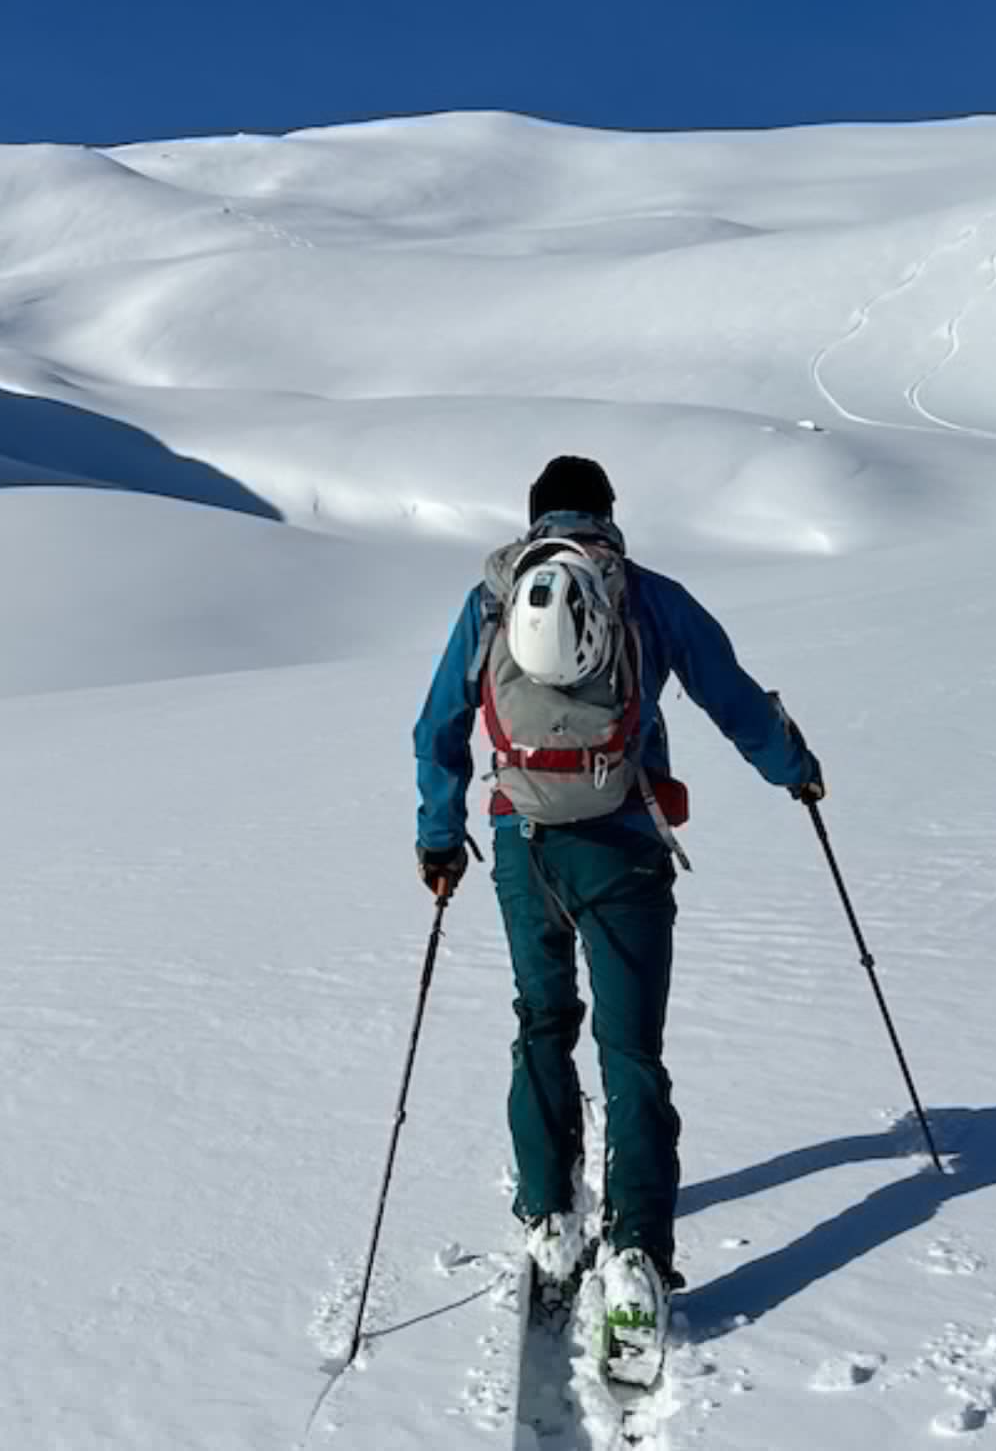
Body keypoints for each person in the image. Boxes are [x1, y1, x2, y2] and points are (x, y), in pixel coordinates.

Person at [411, 454, 822, 1380]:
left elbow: (437, 722)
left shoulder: (492, 598)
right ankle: (637, 1252)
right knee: (632, 1053)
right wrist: (794, 768)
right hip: (626, 839)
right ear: (608, 515)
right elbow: (729, 694)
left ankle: (550, 1214)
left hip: (522, 841)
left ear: (534, 518)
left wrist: (440, 835)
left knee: (543, 1020)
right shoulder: (645, 594)